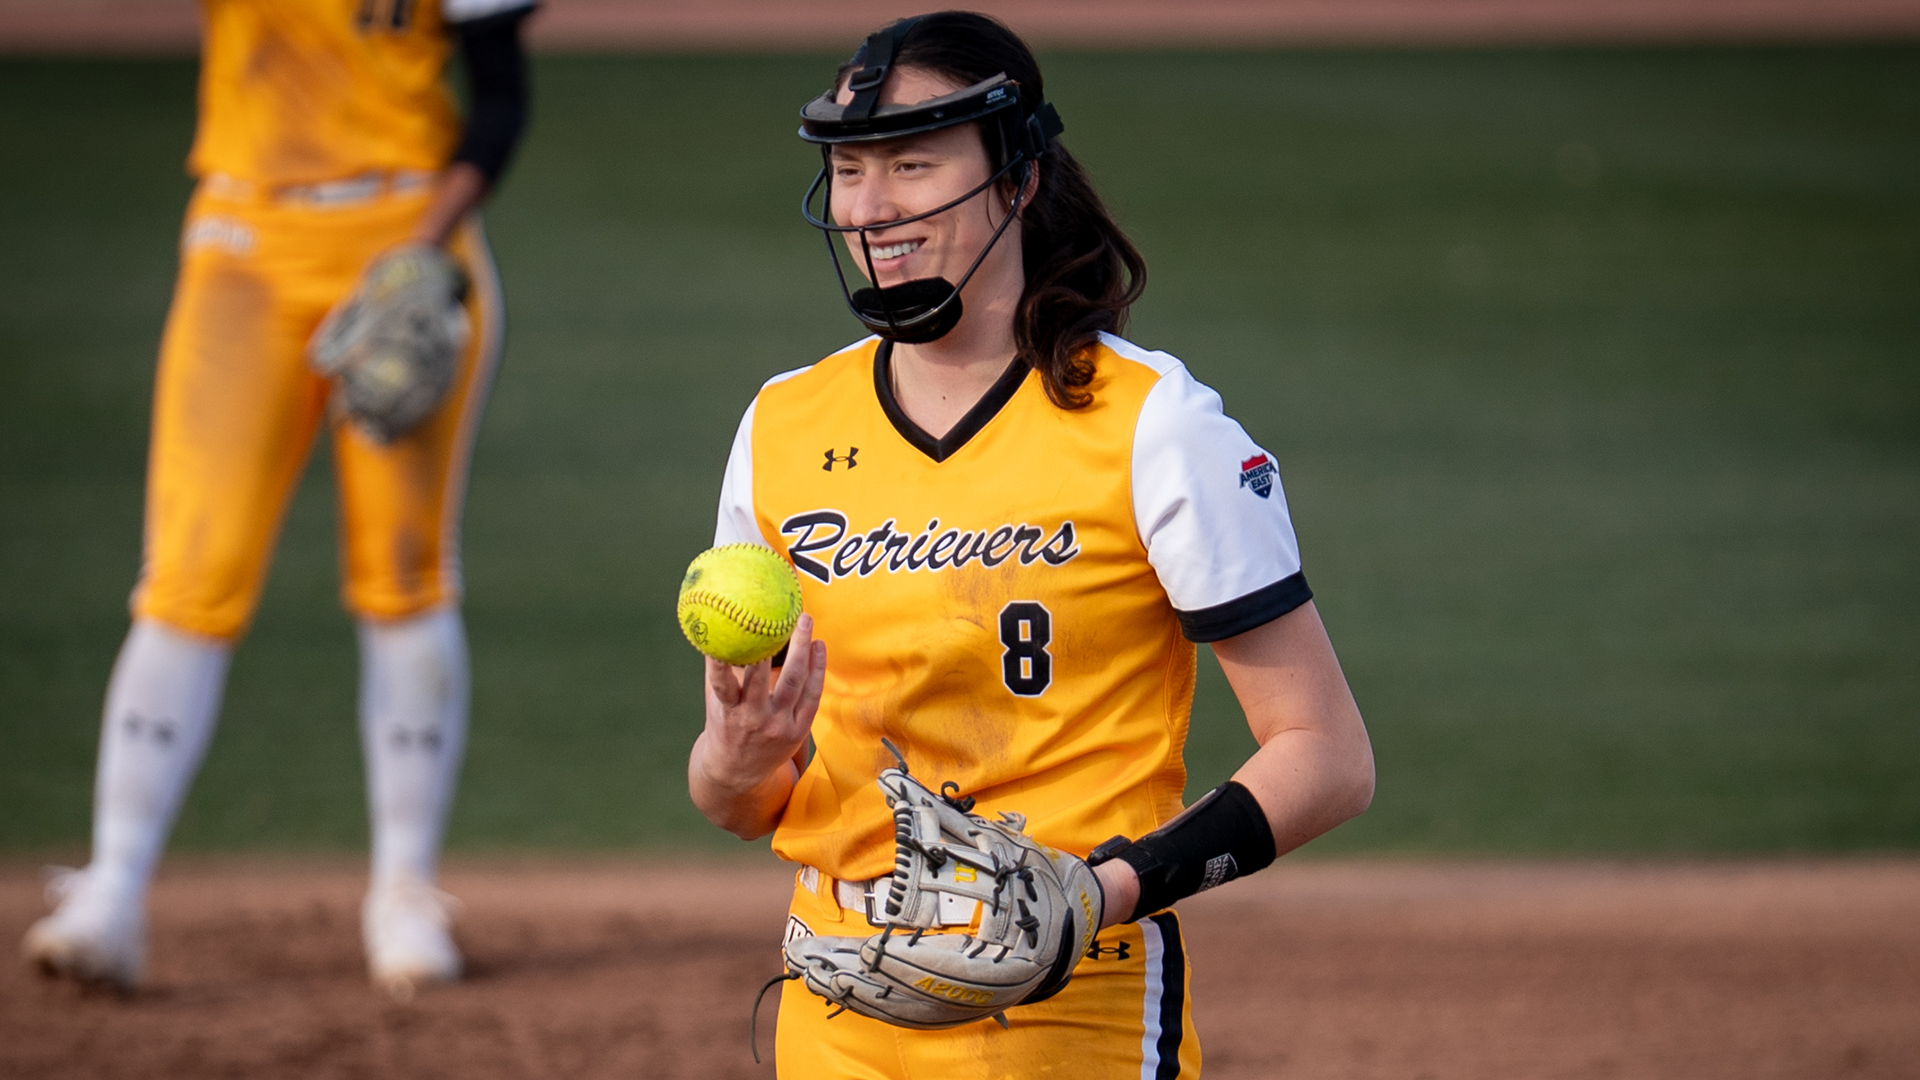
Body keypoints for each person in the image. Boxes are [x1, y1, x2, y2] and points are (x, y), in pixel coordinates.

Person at [689, 11, 1376, 1077]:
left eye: (912, 163)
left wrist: (1097, 894)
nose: (870, 205)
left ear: (1017, 178)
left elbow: (1327, 756)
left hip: (1070, 1008)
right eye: (850, 170)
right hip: (837, 1002)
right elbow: (743, 803)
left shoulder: (1154, 427)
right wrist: (733, 765)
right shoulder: (782, 426)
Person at [21, 0, 537, 997]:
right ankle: (112, 890)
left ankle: (404, 894)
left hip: (407, 231)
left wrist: (424, 247)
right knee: (191, 571)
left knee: (404, 570)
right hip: (242, 239)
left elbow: (501, 96)